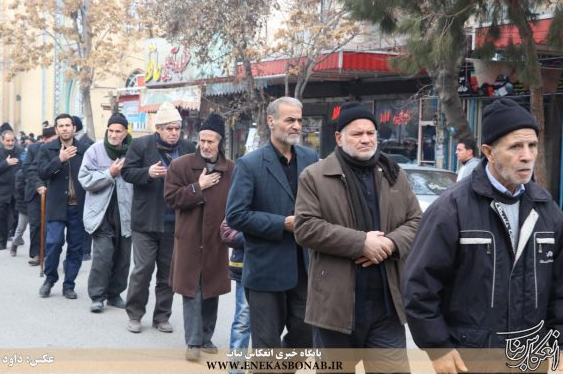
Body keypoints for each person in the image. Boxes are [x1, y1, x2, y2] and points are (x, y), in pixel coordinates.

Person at [403, 98, 563, 373]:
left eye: (532, 145)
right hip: (470, 359)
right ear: (489, 152)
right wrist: (438, 347)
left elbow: (559, 290)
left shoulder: (547, 210)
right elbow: (419, 287)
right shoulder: (452, 208)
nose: (527, 155)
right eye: (516, 146)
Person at [294, 102, 422, 373]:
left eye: (370, 133)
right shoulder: (315, 176)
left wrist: (390, 243)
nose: (366, 139)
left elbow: (417, 222)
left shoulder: (393, 174)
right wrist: (361, 243)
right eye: (357, 134)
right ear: (339, 138)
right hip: (335, 307)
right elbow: (305, 227)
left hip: (386, 305)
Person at [226, 96, 318, 350]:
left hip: (304, 269)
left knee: (307, 336)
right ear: (271, 121)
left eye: (299, 120)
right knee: (266, 346)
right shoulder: (249, 164)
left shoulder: (310, 158)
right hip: (265, 272)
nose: (296, 126)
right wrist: (281, 223)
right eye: (290, 120)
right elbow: (235, 215)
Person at [164, 113, 234, 361]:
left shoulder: (231, 169)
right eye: (202, 140)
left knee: (211, 289)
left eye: (210, 141)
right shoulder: (180, 166)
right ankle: (193, 342)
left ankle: (206, 337)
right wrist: (198, 187)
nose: (205, 145)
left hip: (216, 240)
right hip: (189, 238)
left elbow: (238, 203)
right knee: (191, 290)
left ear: (219, 143)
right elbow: (171, 198)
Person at [121, 103, 195, 334]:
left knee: (167, 273)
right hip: (145, 220)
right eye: (169, 128)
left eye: (177, 128)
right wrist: (148, 173)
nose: (174, 133)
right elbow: (126, 172)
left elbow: (195, 177)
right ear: (158, 128)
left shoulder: (188, 148)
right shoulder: (141, 145)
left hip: (175, 222)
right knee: (142, 270)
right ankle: (135, 314)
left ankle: (162, 316)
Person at [79, 113, 133, 313]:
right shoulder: (95, 150)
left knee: (123, 257)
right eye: (111, 130)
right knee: (103, 256)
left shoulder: (134, 152)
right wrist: (109, 173)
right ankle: (97, 296)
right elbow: (84, 179)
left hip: (125, 212)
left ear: (125, 133)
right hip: (101, 212)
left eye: (118, 131)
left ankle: (114, 294)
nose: (113, 135)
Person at [37, 114, 89, 299]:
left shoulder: (85, 149)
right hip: (56, 205)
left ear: (74, 128)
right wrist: (59, 159)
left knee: (75, 247)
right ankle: (50, 279)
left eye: (68, 125)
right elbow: (42, 172)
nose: (65, 128)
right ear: (56, 129)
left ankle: (69, 285)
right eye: (61, 126)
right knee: (54, 243)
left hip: (78, 206)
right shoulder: (47, 148)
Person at [23, 126, 57, 266]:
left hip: (52, 192)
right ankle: (36, 253)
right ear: (44, 139)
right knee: (36, 224)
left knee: (50, 225)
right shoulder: (33, 149)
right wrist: (38, 185)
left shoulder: (59, 150)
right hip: (35, 191)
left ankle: (48, 253)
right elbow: (28, 169)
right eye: (52, 139)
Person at [220, 218, 250, 370]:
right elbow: (226, 231)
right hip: (246, 268)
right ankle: (236, 370)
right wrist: (257, 236)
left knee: (272, 324)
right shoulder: (240, 201)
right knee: (243, 320)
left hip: (280, 269)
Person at [0, 130, 23, 251]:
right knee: (0, 216)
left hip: (18, 189)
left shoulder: (21, 151)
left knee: (17, 215)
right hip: (2, 189)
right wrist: (6, 163)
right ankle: (1, 242)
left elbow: (27, 165)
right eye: (8, 140)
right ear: (2, 140)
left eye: (12, 140)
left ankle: (15, 236)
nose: (10, 143)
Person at [72, 115, 94, 261]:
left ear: (75, 127)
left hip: (85, 187)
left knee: (85, 219)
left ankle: (86, 250)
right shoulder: (67, 143)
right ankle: (76, 248)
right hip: (71, 187)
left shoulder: (88, 143)